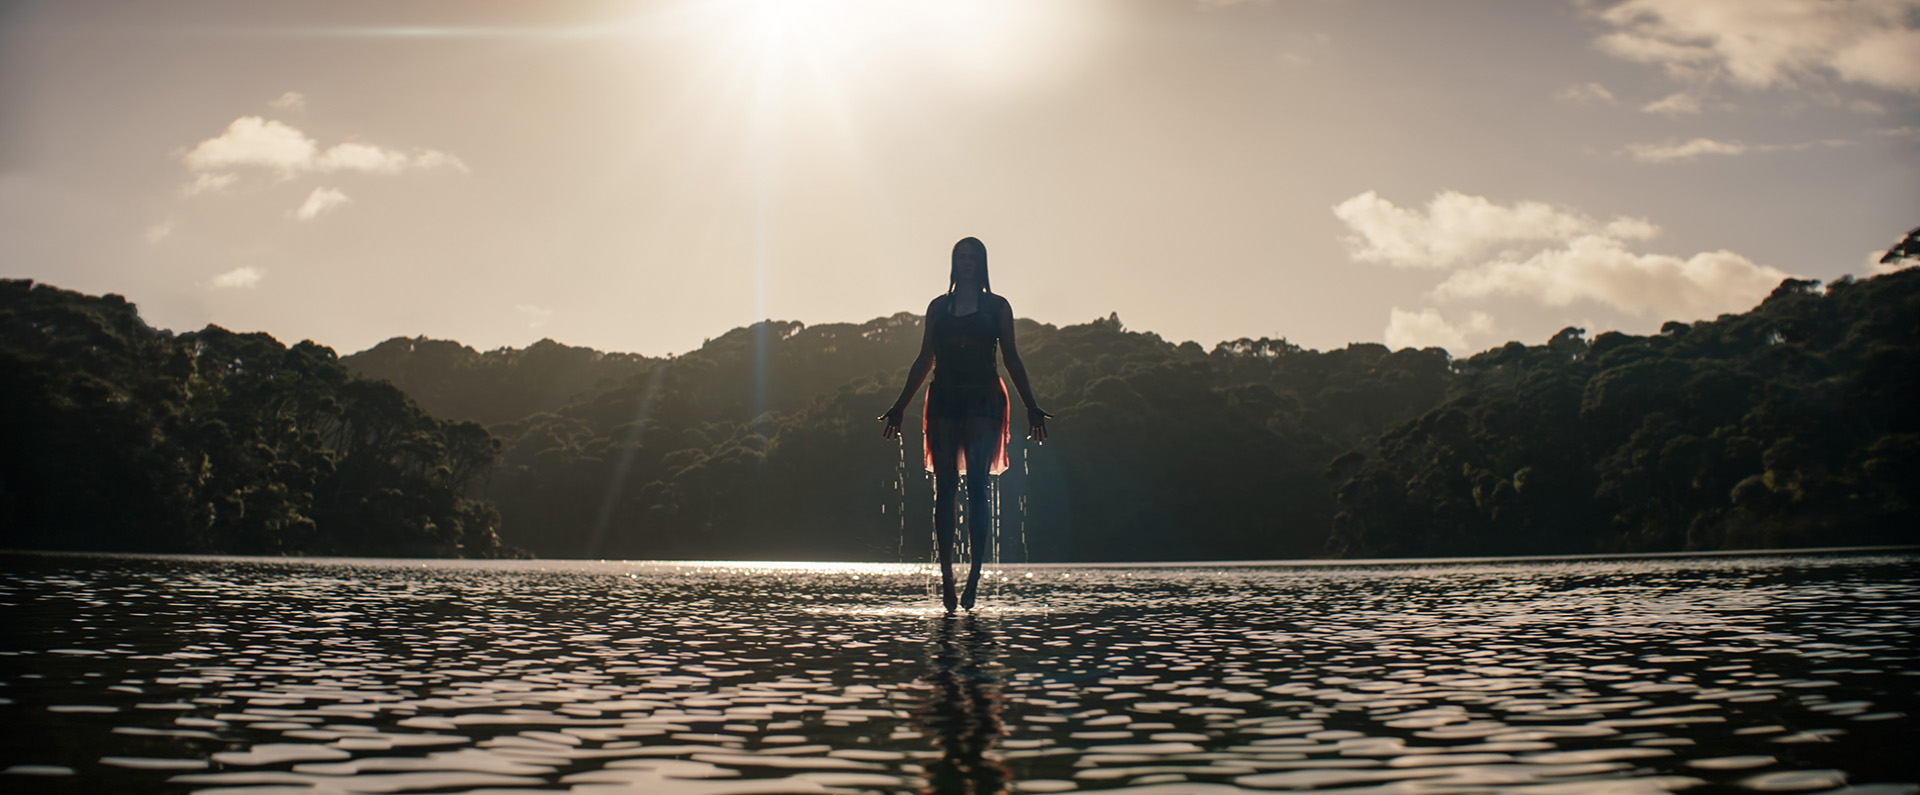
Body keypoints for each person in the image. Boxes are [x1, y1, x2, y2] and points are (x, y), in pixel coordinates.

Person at [880, 237, 1050, 613]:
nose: (968, 262)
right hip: (943, 402)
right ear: (954, 263)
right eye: (961, 257)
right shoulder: (939, 308)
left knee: (977, 490)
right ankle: (947, 580)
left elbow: (1013, 360)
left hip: (985, 403)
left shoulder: (997, 307)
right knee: (945, 491)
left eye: (974, 258)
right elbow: (924, 359)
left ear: (983, 263)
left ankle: (974, 576)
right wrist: (899, 405)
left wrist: (1032, 406)